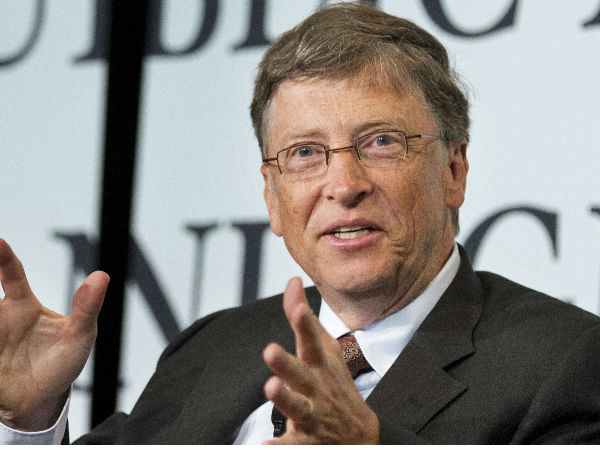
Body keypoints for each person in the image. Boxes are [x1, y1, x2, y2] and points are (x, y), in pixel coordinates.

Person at [1, 3, 599, 445]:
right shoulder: (213, 348)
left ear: (453, 169)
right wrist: (30, 421)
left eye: (381, 141)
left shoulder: (568, 363)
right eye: (306, 153)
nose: (344, 185)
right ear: (272, 196)